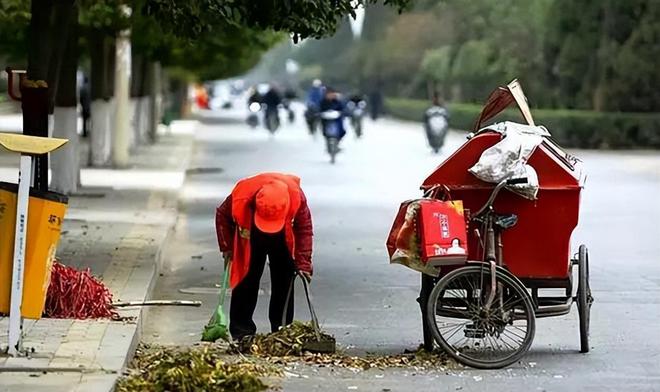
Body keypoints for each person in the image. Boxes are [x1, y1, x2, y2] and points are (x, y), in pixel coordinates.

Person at [215, 173, 314, 340]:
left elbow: (304, 229)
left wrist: (303, 263)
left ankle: (281, 330)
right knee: (246, 280)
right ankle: (242, 332)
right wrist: (227, 247)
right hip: (252, 235)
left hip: (283, 236)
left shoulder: (296, 196)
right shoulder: (241, 197)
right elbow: (222, 217)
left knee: (285, 280)